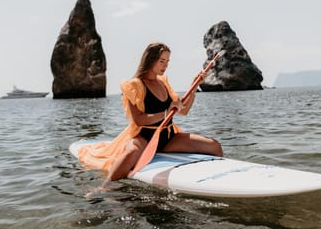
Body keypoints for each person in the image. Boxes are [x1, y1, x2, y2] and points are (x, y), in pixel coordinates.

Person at [78, 42, 222, 186]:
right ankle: (103, 187)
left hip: (168, 137)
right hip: (144, 138)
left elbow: (183, 110)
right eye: (161, 61)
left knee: (214, 146)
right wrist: (166, 113)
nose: (165, 65)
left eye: (167, 61)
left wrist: (195, 84)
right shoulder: (134, 86)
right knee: (131, 153)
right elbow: (139, 120)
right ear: (150, 60)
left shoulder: (163, 82)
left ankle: (217, 182)